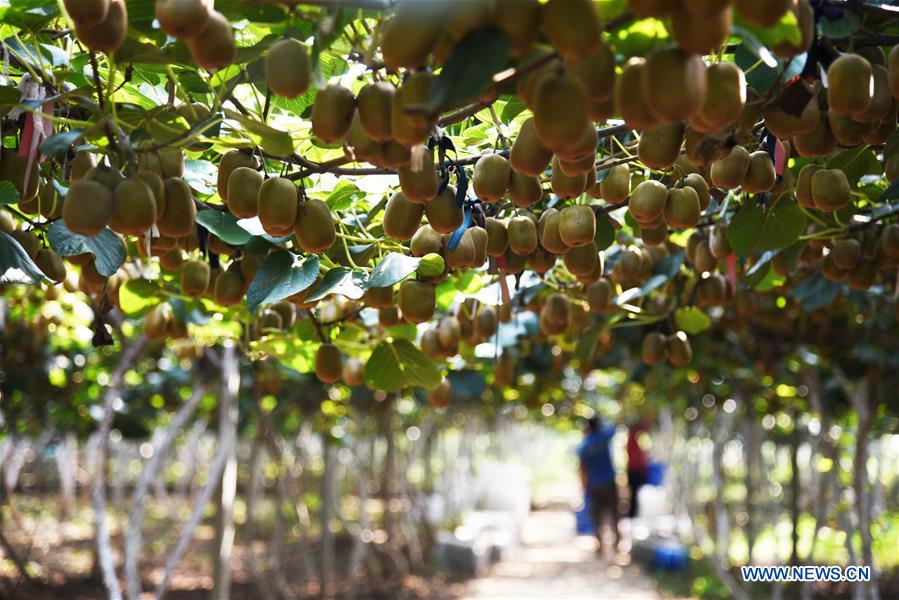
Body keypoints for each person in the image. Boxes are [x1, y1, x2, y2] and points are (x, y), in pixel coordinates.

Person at [578, 416, 620, 552]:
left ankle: (599, 543)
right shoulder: (604, 436)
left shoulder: (585, 444)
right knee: (613, 512)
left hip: (594, 483)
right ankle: (616, 543)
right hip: (609, 481)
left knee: (596, 514)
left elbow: (583, 468)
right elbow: (616, 426)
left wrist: (583, 485)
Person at [626, 416, 650, 519]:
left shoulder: (634, 439)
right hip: (634, 471)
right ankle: (632, 515)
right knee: (634, 494)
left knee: (635, 493)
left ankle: (633, 514)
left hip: (635, 470)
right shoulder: (631, 439)